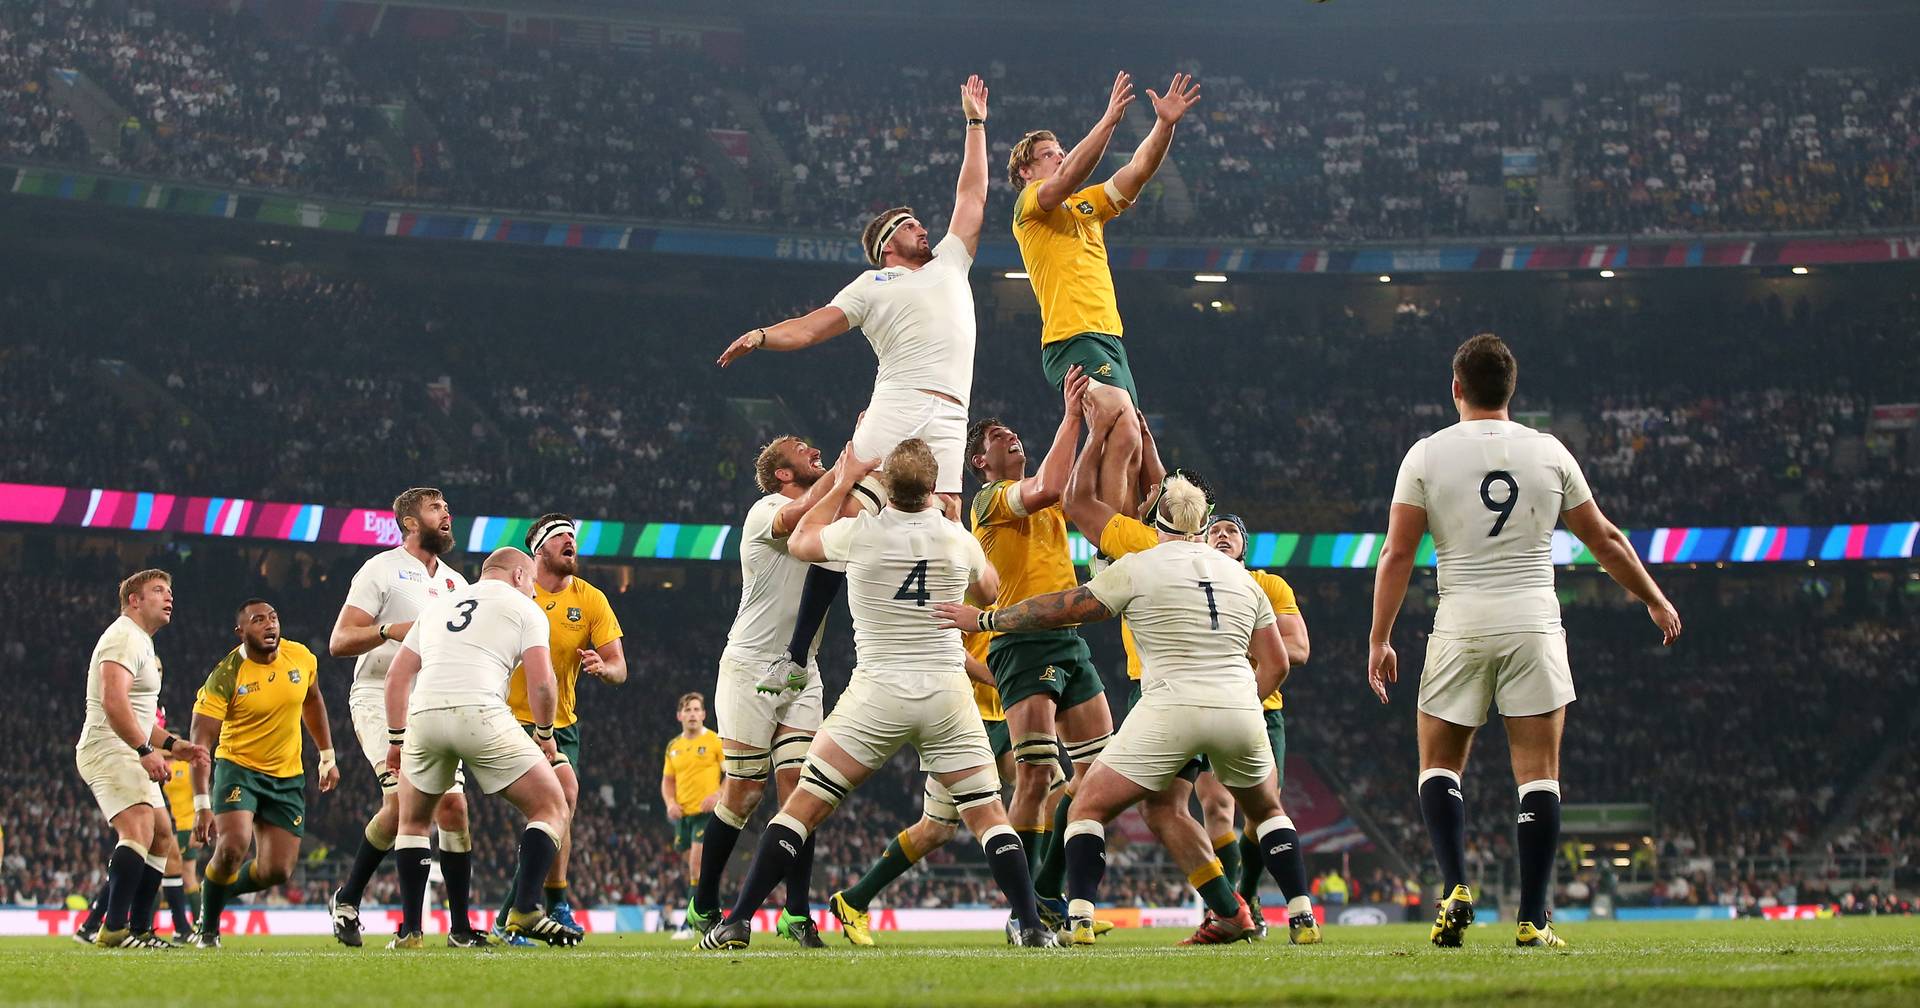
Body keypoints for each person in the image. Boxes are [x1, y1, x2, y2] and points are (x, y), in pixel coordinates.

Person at [1368, 333, 1683, 950]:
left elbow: (1398, 551)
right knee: (1538, 776)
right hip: (1534, 623)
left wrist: (1380, 637)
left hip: (1459, 621)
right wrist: (1653, 597)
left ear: (1456, 387)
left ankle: (1456, 885)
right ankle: (1534, 920)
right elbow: (1606, 540)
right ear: (1511, 390)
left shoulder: (1426, 456)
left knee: (1438, 765)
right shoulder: (1549, 453)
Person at [698, 440, 1056, 950]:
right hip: (945, 694)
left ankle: (737, 920)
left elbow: (802, 541)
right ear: (934, 487)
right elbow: (989, 593)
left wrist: (845, 480)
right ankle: (1031, 926)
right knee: (988, 815)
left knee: (802, 806)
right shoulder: (957, 540)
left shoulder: (860, 532)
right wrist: (953, 525)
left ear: (886, 486)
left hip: (878, 694)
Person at [935, 476, 1320, 946]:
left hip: (1169, 708)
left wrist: (988, 619)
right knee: (1266, 810)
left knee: (1086, 806)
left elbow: (1060, 608)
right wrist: (1243, 700)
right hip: (1239, 705)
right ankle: (1301, 916)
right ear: (1201, 526)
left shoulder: (1139, 566)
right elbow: (1278, 662)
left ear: (1156, 523)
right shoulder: (1244, 578)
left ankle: (1078, 919)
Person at [954, 369, 1112, 929]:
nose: (1011, 436)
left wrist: (1102, 431)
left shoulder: (1046, 496)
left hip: (1067, 637)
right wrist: (1071, 416)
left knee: (1099, 773)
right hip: (1020, 642)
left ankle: (1046, 889)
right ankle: (1026, 909)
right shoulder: (991, 500)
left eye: (1013, 431)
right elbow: (1048, 484)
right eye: (998, 437)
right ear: (980, 461)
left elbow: (1073, 487)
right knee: (1036, 778)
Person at [1008, 70, 1200, 514]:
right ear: (1026, 170)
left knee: (1130, 435)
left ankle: (1124, 540)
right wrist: (1109, 119)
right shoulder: (1030, 206)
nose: (1059, 157)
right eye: (1048, 153)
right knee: (1116, 414)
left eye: (1060, 150)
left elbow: (1137, 171)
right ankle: (1109, 547)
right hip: (1070, 336)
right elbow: (1070, 173)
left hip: (1110, 340)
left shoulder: (1086, 207)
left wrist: (1163, 125)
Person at [381, 547, 583, 948]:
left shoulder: (438, 607)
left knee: (413, 823)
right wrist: (544, 734)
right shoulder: (527, 610)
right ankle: (524, 908)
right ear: (520, 577)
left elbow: (396, 676)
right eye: (532, 584)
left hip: (425, 715)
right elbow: (543, 682)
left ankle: (410, 931)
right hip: (481, 711)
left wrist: (395, 740)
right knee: (553, 806)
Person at [686, 437, 841, 947]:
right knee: (744, 792)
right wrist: (850, 464)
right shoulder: (767, 510)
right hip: (750, 667)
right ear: (780, 473)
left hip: (802, 668)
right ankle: (704, 900)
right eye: (801, 449)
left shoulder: (825, 511)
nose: (813, 447)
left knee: (804, 791)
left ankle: (796, 913)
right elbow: (799, 518)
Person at [327, 488, 480, 947]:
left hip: (432, 700)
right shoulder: (381, 569)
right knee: (403, 806)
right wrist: (387, 630)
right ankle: (391, 918)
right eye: (436, 508)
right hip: (378, 694)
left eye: (447, 507)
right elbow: (339, 641)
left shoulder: (457, 584)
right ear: (411, 523)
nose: (447, 514)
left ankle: (459, 928)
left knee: (453, 807)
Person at [491, 514, 627, 945]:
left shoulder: (591, 600)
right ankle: (540, 906)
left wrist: (606, 669)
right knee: (555, 804)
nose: (571, 541)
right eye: (560, 537)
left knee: (559, 807)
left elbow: (620, 667)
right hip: (508, 718)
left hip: (561, 724)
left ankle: (533, 908)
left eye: (573, 536)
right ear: (538, 550)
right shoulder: (514, 594)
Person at [828, 631, 1013, 946]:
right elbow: (950, 649)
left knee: (1043, 787)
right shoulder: (966, 589)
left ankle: (1052, 903)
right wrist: (996, 678)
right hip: (964, 718)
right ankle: (1042, 907)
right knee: (937, 828)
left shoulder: (1005, 591)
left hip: (999, 715)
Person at [187, 599, 339, 948]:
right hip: (238, 768)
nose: (270, 625)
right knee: (233, 846)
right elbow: (200, 743)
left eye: (273, 618)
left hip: (287, 775)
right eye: (258, 621)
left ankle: (217, 893)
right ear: (241, 632)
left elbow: (312, 700)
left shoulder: (300, 657)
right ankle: (208, 928)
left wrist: (327, 755)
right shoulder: (226, 675)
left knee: (277, 871)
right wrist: (200, 803)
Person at [74, 569, 211, 948]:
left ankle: (138, 929)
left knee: (162, 836)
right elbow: (113, 702)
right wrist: (146, 751)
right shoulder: (122, 637)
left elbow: (138, 714)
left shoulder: (142, 643)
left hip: (127, 745)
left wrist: (173, 743)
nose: (169, 598)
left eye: (170, 591)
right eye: (158, 591)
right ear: (134, 600)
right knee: (137, 829)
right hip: (108, 747)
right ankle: (114, 929)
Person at [1196, 513, 1312, 938]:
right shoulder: (1193, 588)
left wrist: (1236, 634)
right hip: (1206, 706)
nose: (1222, 535)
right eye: (1214, 530)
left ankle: (1246, 890)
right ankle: (1229, 906)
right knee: (1214, 804)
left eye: (1231, 531)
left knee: (1260, 810)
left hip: (1262, 707)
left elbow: (1298, 648)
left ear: (1245, 545)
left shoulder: (1269, 586)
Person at [662, 693, 724, 939]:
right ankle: (712, 915)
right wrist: (669, 803)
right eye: (687, 709)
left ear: (704, 714)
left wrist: (719, 794)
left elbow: (731, 773)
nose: (692, 714)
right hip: (683, 817)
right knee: (695, 872)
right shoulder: (673, 747)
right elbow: (667, 781)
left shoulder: (714, 741)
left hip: (706, 814)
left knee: (697, 867)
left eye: (697, 709)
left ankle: (689, 924)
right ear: (679, 715)